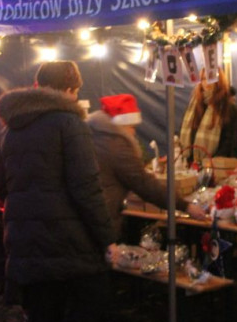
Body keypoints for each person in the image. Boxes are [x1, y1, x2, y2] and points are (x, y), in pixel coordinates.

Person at [0, 61, 115, 322]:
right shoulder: (69, 123)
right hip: (67, 235)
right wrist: (106, 237)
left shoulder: (12, 128)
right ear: (71, 90)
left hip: (24, 234)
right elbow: (85, 187)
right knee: (92, 298)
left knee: (42, 309)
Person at [88, 93, 207, 238]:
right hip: (101, 219)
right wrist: (185, 205)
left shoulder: (93, 134)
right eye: (132, 126)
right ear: (121, 125)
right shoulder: (116, 145)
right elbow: (144, 183)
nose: (134, 132)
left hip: (88, 215)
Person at [180, 70, 237, 163]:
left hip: (215, 163)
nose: (206, 82)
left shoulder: (228, 106)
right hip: (190, 163)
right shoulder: (194, 105)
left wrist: (214, 161)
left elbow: (229, 139)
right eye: (203, 79)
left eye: (210, 78)